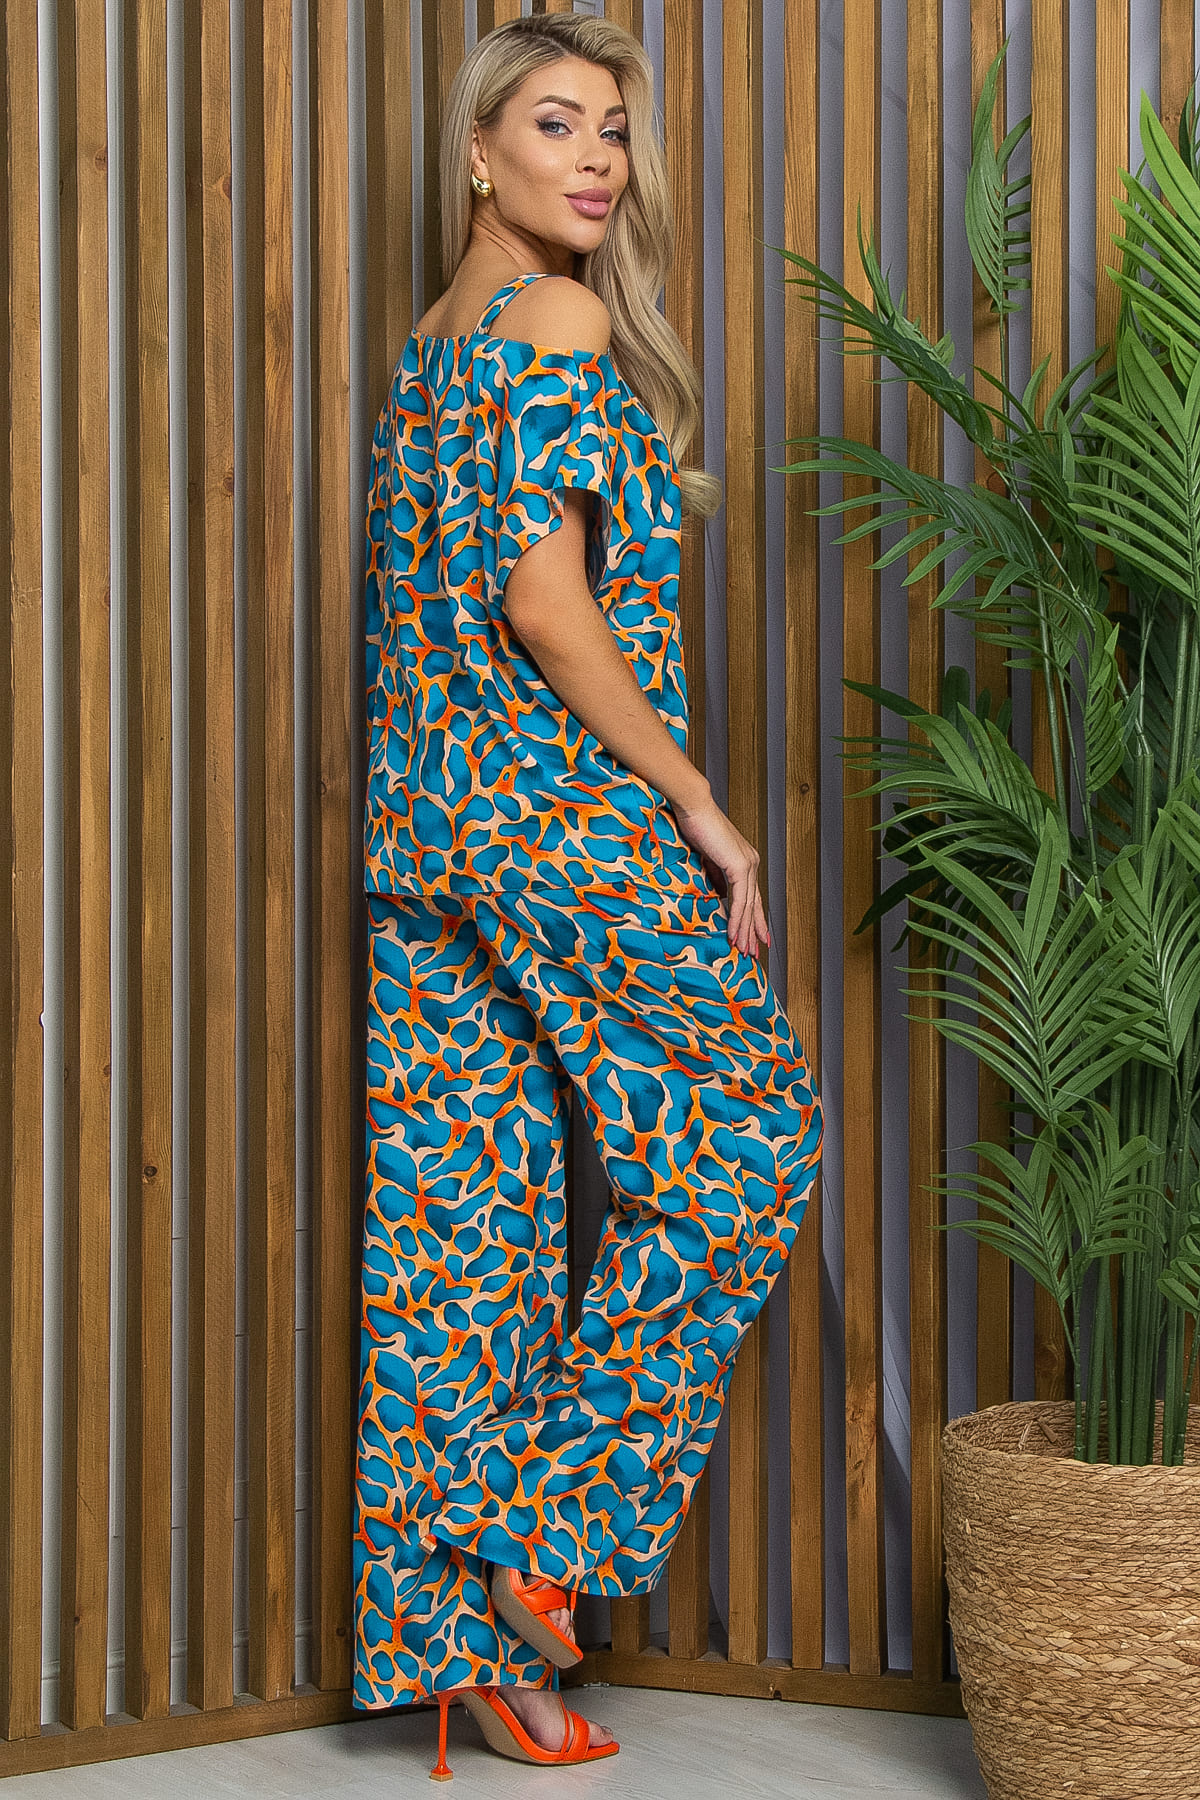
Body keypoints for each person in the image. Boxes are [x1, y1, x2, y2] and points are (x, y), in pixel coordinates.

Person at [352, 12, 821, 1781]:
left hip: (428, 830)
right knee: (751, 1140)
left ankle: (471, 1660)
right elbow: (544, 604)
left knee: (467, 1239)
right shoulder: (554, 323)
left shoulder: (431, 346)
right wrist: (698, 804)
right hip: (557, 818)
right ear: (479, 152)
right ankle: (548, 1528)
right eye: (558, 124)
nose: (599, 158)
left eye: (613, 129)